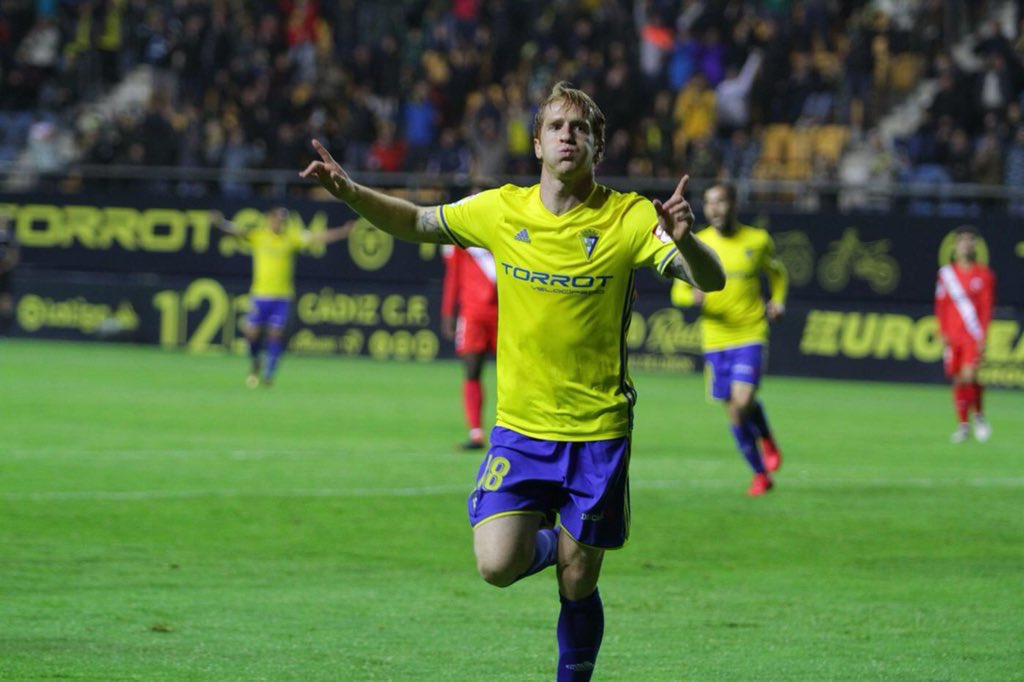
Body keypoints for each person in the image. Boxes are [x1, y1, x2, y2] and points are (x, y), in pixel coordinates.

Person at [300, 82, 725, 681]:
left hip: (596, 432)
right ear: (537, 144)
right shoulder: (502, 210)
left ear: (597, 146)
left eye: (580, 129)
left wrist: (686, 240)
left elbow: (709, 279)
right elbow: (419, 221)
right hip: (521, 431)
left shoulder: (629, 217)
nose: (568, 136)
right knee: (497, 565)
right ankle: (551, 542)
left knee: (579, 583)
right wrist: (349, 192)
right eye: (557, 126)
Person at [671, 182, 788, 497]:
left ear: (734, 204)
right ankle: (760, 473)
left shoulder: (758, 240)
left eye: (720, 201)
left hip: (750, 332)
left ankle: (766, 437)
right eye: (709, 203)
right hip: (715, 338)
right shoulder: (698, 243)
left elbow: (777, 273)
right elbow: (678, 291)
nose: (714, 209)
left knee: (744, 399)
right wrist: (691, 298)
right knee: (735, 411)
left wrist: (778, 301)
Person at [211, 207, 352, 387]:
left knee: (275, 335)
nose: (280, 223)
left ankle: (269, 374)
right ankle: (256, 362)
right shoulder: (259, 236)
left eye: (282, 220)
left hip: (281, 297)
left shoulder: (291, 238)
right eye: (277, 219)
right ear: (270, 219)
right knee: (251, 335)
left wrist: (342, 232)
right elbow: (236, 231)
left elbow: (317, 237)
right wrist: (220, 223)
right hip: (260, 295)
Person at [934, 225, 995, 443]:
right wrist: (941, 331)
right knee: (959, 379)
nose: (965, 245)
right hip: (953, 335)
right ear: (955, 246)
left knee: (970, 375)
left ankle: (978, 416)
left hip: (972, 334)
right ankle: (963, 425)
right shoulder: (946, 275)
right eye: (962, 241)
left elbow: (986, 307)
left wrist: (983, 337)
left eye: (970, 240)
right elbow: (941, 305)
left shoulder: (985, 275)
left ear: (975, 246)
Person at [441, 239, 498, 450]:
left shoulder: (504, 218)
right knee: (472, 370)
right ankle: (476, 433)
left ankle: (521, 432)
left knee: (514, 372)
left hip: (506, 311)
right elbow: (453, 274)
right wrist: (448, 312)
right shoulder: (459, 229)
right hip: (472, 314)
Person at [0, 213, 19, 335]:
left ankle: (6, 331)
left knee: (6, 302)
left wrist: (5, 266)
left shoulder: (10, 237)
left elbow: (14, 255)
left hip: (5, 273)